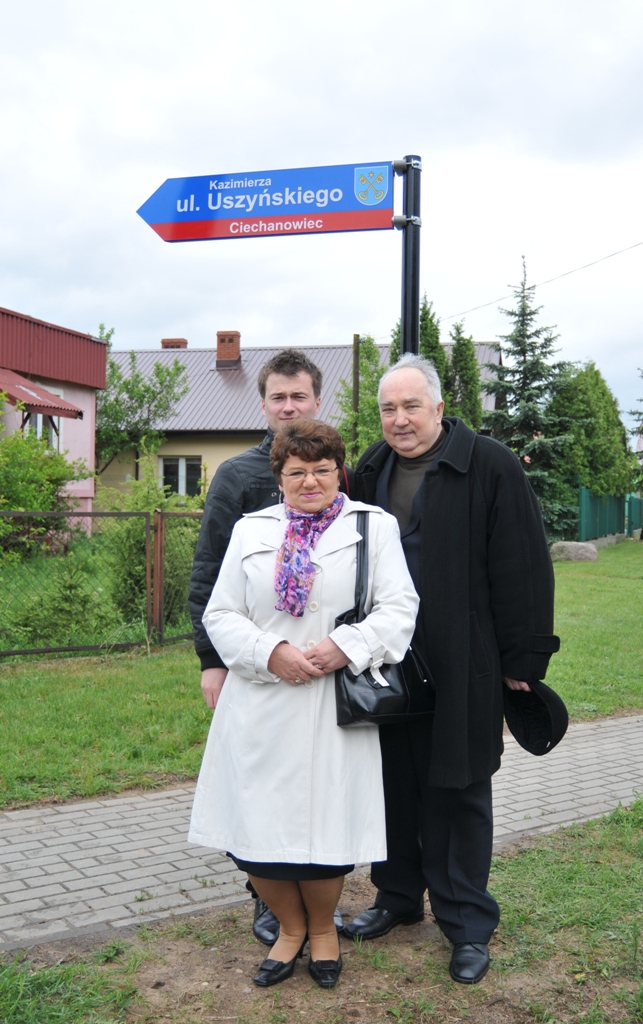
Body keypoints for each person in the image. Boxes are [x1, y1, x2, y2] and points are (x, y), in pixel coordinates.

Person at [344, 354, 560, 985]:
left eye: (412, 406)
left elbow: (522, 564)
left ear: (438, 408)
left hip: (464, 659)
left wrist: (523, 658)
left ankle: (466, 923)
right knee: (393, 783)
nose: (400, 419)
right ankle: (398, 896)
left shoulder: (488, 464)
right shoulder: (371, 468)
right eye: (388, 408)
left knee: (459, 789)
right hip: (389, 659)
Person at [188, 420, 419, 989]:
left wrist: (346, 646)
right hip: (261, 702)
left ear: (339, 471)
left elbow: (399, 607)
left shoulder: (373, 526)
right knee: (255, 833)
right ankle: (290, 928)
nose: (310, 481)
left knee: (326, 831)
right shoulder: (251, 529)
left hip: (333, 703)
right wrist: (271, 653)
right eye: (297, 472)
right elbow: (220, 613)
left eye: (321, 470)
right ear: (279, 476)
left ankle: (322, 931)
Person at [188, 348, 351, 944]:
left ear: (317, 400)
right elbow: (210, 573)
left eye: (298, 396)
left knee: (320, 785)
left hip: (327, 666)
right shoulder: (237, 476)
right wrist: (211, 659)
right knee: (257, 782)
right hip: (255, 662)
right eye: (278, 397)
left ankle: (320, 904)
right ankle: (268, 900)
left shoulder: (336, 469)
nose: (288, 406)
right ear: (262, 404)